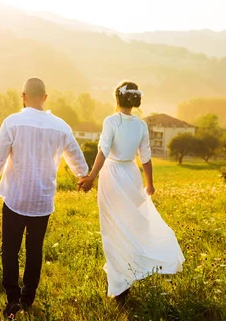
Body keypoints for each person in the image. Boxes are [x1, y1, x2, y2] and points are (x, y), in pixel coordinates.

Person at [0, 77, 89, 318]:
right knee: (34, 250)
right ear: (46, 97)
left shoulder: (13, 122)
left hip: (16, 198)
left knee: (10, 249)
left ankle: (13, 298)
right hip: (42, 200)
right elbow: (75, 156)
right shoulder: (61, 126)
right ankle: (28, 298)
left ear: (23, 96)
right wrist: (84, 177)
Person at [78, 81, 185, 302]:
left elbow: (103, 150)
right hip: (131, 174)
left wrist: (91, 177)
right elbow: (145, 157)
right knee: (132, 224)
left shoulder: (111, 121)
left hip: (112, 175)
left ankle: (120, 282)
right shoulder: (141, 125)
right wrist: (149, 183)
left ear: (117, 98)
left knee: (112, 226)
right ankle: (123, 271)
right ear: (134, 101)